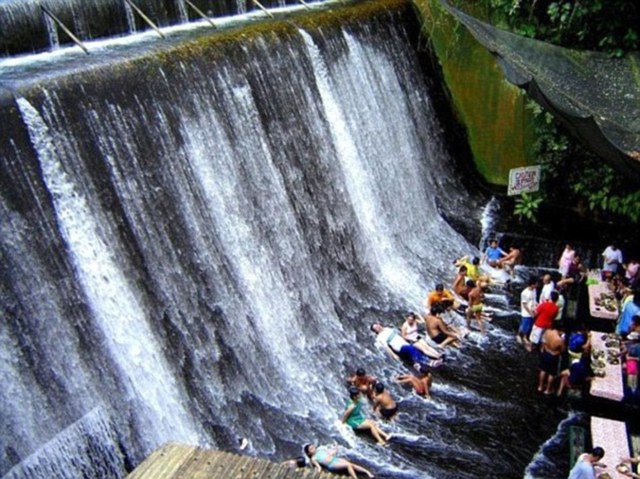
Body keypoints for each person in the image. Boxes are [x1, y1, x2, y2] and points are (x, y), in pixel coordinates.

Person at [371, 323, 444, 370]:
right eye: (376, 328)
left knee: (416, 349)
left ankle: (428, 362)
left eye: (377, 326)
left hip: (405, 343)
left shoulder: (387, 328)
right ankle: (427, 362)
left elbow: (399, 334)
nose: (378, 327)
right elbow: (387, 347)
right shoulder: (380, 337)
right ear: (376, 331)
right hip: (399, 348)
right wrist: (394, 355)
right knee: (411, 349)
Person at [304, 443, 374, 478]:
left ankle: (367, 472)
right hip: (331, 464)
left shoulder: (320, 450)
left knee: (352, 465)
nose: (314, 448)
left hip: (335, 459)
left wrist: (336, 448)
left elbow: (330, 453)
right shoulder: (313, 458)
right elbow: (319, 467)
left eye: (313, 447)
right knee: (348, 465)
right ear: (309, 453)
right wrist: (317, 473)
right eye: (311, 449)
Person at [537, 325, 565, 394]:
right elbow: (563, 350)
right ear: (560, 331)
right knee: (551, 373)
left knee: (543, 370)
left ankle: (540, 386)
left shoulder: (547, 332)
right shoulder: (559, 340)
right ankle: (548, 390)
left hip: (546, 352)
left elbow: (543, 342)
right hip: (553, 356)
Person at [518, 277, 538, 349]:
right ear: (532, 284)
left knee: (529, 326)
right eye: (536, 284)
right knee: (525, 326)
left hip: (533, 310)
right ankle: (522, 336)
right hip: (526, 313)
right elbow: (524, 305)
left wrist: (536, 308)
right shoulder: (524, 293)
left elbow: (534, 300)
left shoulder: (534, 290)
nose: (537, 285)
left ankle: (523, 336)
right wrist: (530, 313)